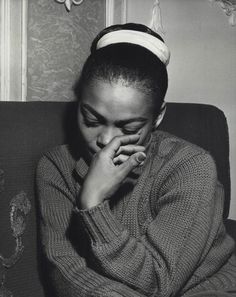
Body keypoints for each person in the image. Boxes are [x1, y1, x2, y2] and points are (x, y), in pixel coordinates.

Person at [36, 23, 236, 297]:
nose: (106, 139)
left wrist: (92, 204)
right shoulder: (56, 167)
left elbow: (159, 281)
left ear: (158, 117)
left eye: (128, 128)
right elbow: (65, 269)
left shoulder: (192, 167)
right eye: (91, 120)